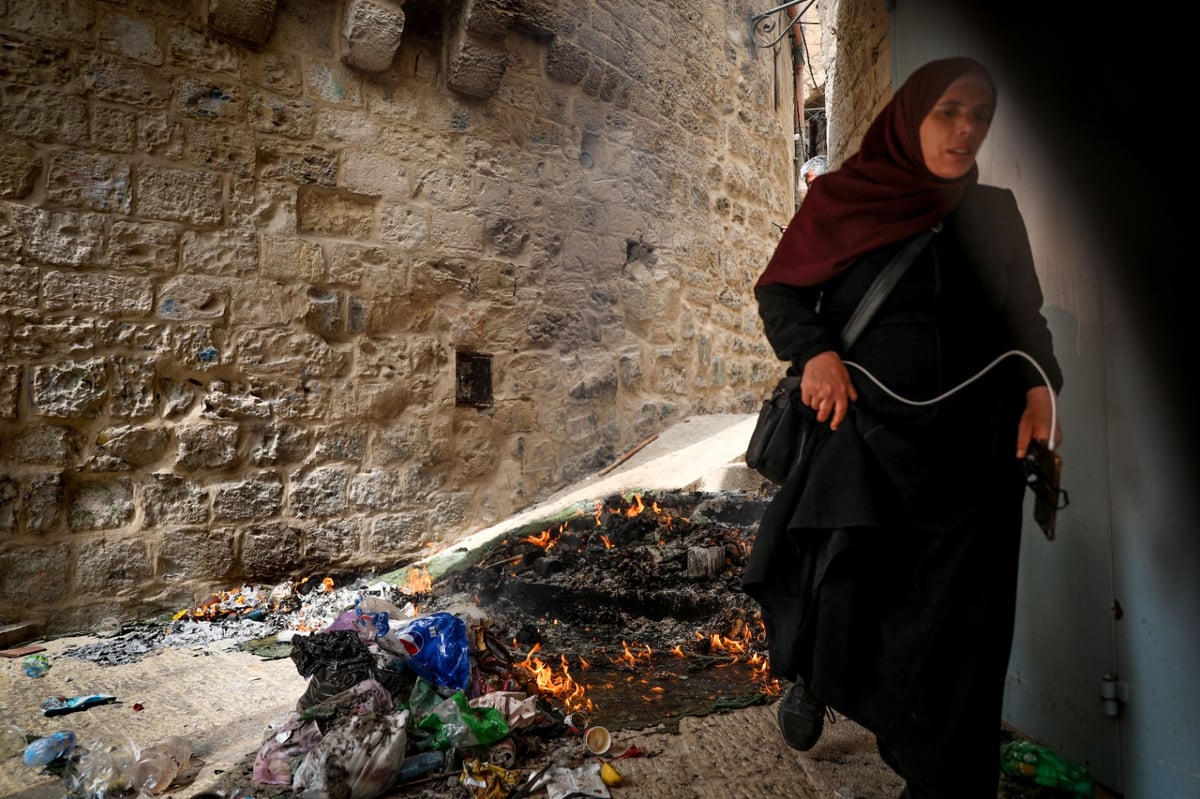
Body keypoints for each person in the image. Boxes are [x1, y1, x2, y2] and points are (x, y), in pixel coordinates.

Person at [742, 56, 1064, 799]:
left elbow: (1025, 321)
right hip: (873, 444)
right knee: (857, 600)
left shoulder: (995, 213)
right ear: (910, 115)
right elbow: (781, 292)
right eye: (949, 111)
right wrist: (816, 352)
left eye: (979, 116)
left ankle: (946, 780)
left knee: (968, 629)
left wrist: (1041, 390)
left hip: (979, 455)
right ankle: (816, 681)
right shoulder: (844, 199)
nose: (965, 129)